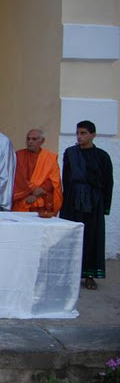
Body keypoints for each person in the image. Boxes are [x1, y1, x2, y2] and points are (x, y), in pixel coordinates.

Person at [60, 121, 113, 290]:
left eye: (83, 133)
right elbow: (66, 179)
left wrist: (105, 206)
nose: (79, 136)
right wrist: (65, 203)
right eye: (77, 133)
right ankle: (69, 274)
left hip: (93, 203)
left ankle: (89, 275)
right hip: (73, 201)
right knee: (72, 236)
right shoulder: (70, 153)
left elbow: (108, 182)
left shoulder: (102, 156)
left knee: (91, 237)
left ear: (93, 135)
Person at [12, 129, 62, 216]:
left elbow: (54, 181)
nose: (30, 142)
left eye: (34, 139)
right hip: (24, 199)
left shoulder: (49, 158)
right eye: (28, 139)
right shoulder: (18, 155)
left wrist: (36, 194)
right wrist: (33, 189)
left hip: (43, 200)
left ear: (42, 141)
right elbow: (18, 178)